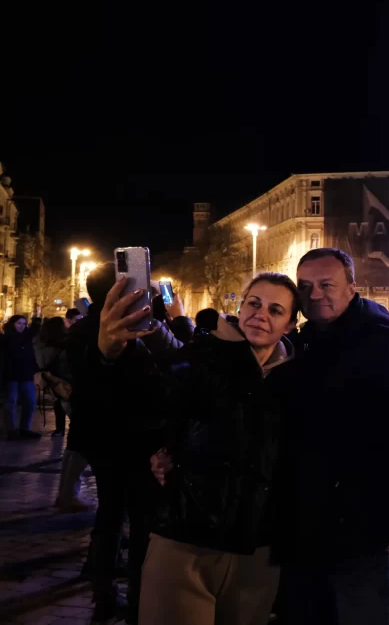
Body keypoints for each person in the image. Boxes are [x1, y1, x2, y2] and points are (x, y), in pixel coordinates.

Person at [276, 248, 389, 625]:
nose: (315, 294)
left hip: (357, 528)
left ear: (352, 287)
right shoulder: (297, 346)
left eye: (326, 284)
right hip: (299, 523)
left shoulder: (385, 345)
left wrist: (381, 507)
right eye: (305, 286)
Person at [138, 273, 299, 625]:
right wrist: (159, 453)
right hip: (187, 538)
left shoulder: (296, 380)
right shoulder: (200, 358)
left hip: (257, 550)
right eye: (254, 304)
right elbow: (151, 411)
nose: (261, 315)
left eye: (275, 310)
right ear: (240, 307)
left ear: (289, 324)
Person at [67, 263, 182, 624]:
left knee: (110, 514)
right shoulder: (133, 332)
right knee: (142, 524)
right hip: (139, 441)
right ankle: (136, 600)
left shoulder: (82, 329)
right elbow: (173, 370)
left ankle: (104, 593)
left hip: (102, 442)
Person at [35, 317, 90, 512]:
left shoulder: (43, 346)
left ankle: (65, 493)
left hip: (64, 397)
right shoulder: (65, 350)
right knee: (81, 447)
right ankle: (69, 495)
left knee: (74, 445)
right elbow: (75, 374)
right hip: (77, 398)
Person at [3, 314, 42, 439]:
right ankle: (11, 430)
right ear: (13, 324)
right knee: (10, 403)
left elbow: (31, 356)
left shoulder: (27, 338)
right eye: (19, 323)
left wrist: (35, 370)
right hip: (10, 375)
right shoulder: (6, 338)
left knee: (30, 402)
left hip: (26, 375)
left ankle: (25, 428)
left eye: (24, 324)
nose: (21, 326)